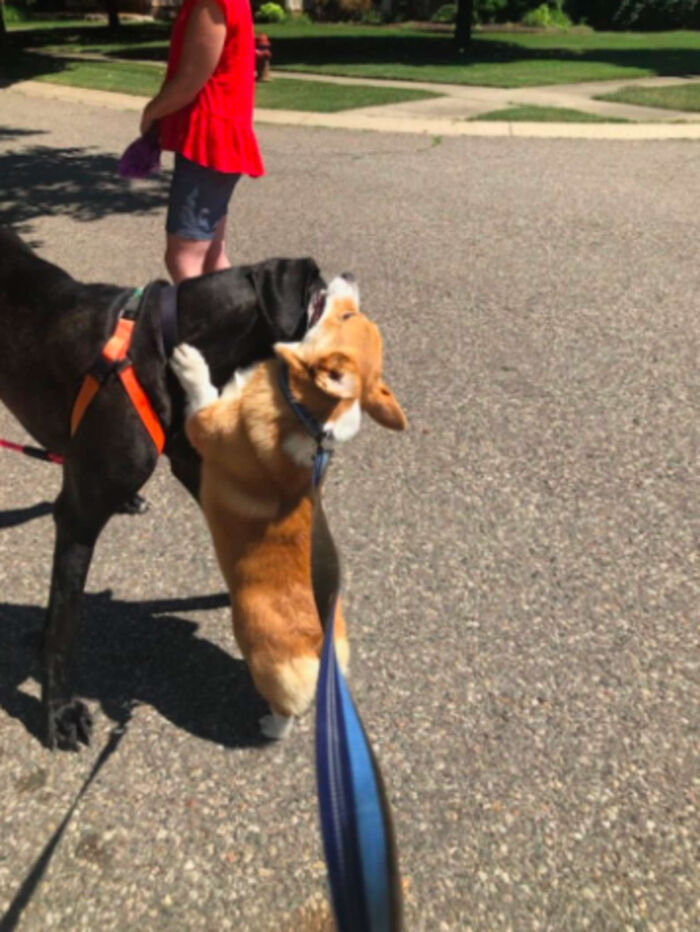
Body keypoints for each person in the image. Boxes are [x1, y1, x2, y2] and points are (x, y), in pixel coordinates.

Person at [140, 0, 264, 283]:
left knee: (184, 257)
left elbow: (190, 81)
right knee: (211, 256)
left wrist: (152, 112)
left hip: (208, 141)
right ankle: (237, 323)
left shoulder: (210, 3)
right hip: (218, 138)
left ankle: (205, 328)